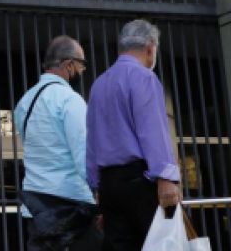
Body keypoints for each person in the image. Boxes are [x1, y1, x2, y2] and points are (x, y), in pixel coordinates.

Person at [86, 19, 182, 251]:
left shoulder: (99, 84)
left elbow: (91, 140)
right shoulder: (144, 77)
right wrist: (166, 176)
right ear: (150, 47)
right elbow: (153, 131)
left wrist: (97, 186)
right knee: (158, 244)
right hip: (141, 180)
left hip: (109, 183)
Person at [15, 35, 98, 250]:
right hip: (71, 206)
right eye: (81, 65)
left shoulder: (25, 102)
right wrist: (100, 192)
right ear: (69, 64)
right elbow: (84, 153)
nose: (82, 71)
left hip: (37, 209)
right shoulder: (69, 99)